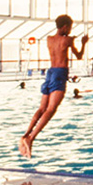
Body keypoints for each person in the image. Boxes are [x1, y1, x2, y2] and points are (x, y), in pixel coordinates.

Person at [19, 15, 88, 157]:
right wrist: (83, 43)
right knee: (51, 109)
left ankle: (26, 134)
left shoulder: (49, 39)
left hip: (50, 73)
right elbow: (79, 56)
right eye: (69, 27)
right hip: (60, 73)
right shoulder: (67, 40)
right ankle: (31, 139)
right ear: (64, 27)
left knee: (42, 108)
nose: (70, 30)